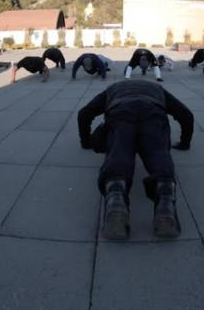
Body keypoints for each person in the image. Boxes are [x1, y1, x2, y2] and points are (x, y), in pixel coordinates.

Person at [78, 80, 194, 240]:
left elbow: (84, 114)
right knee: (157, 152)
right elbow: (186, 115)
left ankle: (116, 196)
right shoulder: (157, 89)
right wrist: (185, 143)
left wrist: (86, 142)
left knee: (119, 150)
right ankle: (166, 200)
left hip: (120, 111)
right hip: (153, 111)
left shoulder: (112, 89)